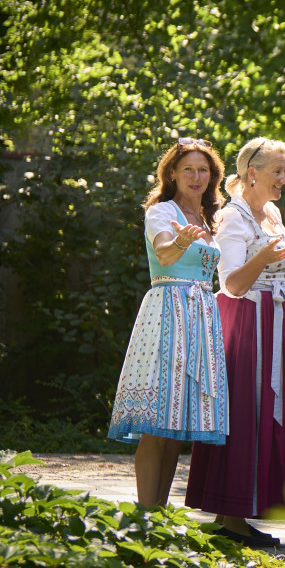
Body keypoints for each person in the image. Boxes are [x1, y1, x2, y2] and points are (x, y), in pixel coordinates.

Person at [185, 137, 285, 549]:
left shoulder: (270, 211)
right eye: (278, 172)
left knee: (264, 414)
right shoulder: (233, 217)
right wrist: (263, 259)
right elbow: (231, 284)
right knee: (245, 411)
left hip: (276, 316)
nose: (284, 179)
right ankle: (229, 511)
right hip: (247, 319)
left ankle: (238, 512)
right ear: (252, 172)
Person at [107, 139, 231, 508]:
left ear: (213, 176)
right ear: (172, 173)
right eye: (188, 169)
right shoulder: (162, 212)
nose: (196, 176)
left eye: (203, 170)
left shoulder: (212, 218)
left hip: (201, 316)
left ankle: (159, 516)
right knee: (156, 421)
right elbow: (162, 251)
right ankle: (145, 514)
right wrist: (178, 241)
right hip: (167, 313)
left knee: (177, 424)